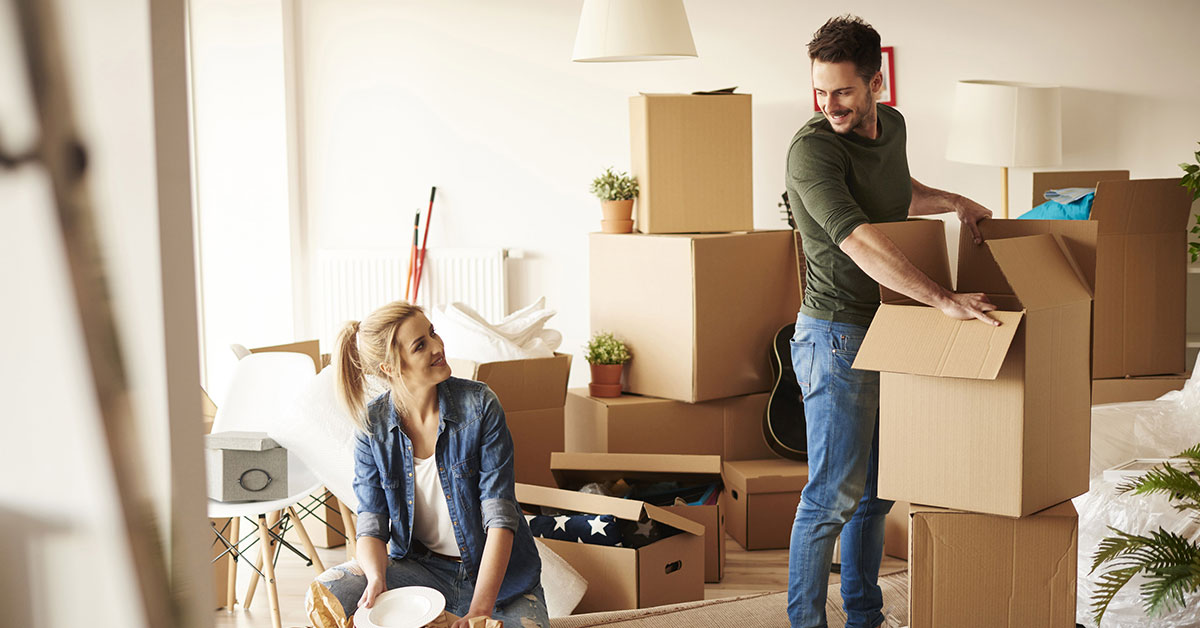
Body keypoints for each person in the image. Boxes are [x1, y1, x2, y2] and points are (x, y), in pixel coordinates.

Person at [785, 15, 998, 628]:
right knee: (830, 499)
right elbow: (858, 236)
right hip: (836, 334)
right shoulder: (812, 148)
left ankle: (865, 616)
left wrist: (954, 200)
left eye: (844, 91)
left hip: (889, 328)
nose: (830, 105)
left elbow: (896, 193)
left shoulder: (894, 126)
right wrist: (943, 299)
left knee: (875, 496)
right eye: (820, 92)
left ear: (877, 84)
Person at [307, 300, 548, 628]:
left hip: (503, 581)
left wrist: (479, 611)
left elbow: (500, 519)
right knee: (330, 590)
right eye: (421, 345)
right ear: (390, 368)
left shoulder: (480, 406)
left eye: (432, 333)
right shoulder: (371, 427)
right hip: (422, 571)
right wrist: (377, 577)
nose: (438, 346)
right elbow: (371, 523)